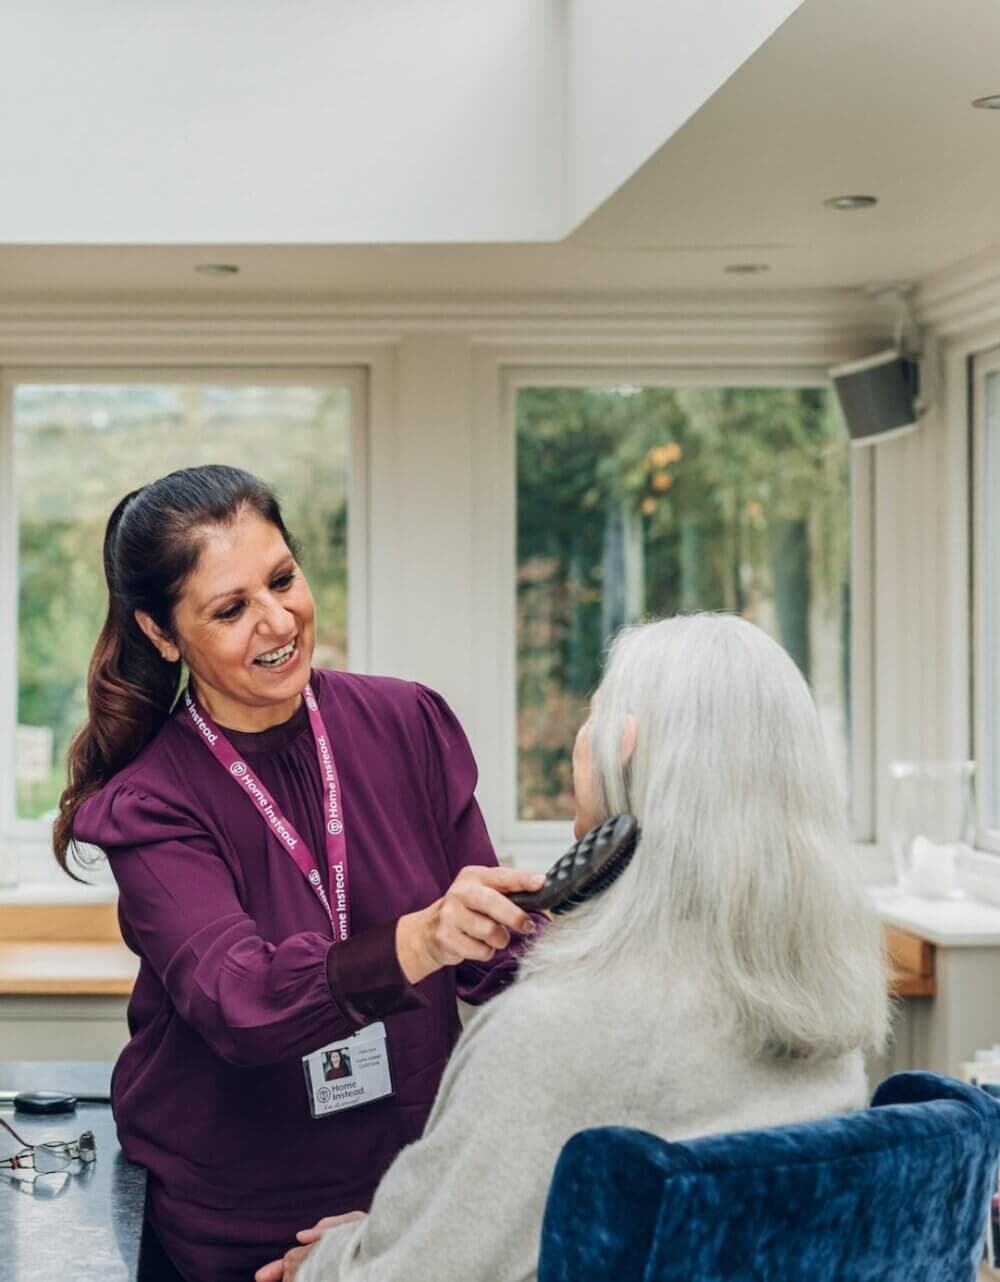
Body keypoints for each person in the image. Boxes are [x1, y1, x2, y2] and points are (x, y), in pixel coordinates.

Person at [257, 613, 890, 1282]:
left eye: (592, 718)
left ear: (624, 749)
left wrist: (327, 1262)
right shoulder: (826, 1020)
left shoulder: (549, 1035)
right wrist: (391, 1232)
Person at [55, 464, 544, 1282]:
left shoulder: (407, 723)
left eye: (283, 579)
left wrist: (572, 923)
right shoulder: (150, 802)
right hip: (238, 1230)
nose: (278, 620)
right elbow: (238, 1001)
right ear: (162, 634)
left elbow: (495, 958)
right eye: (230, 608)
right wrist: (418, 941)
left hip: (404, 1208)